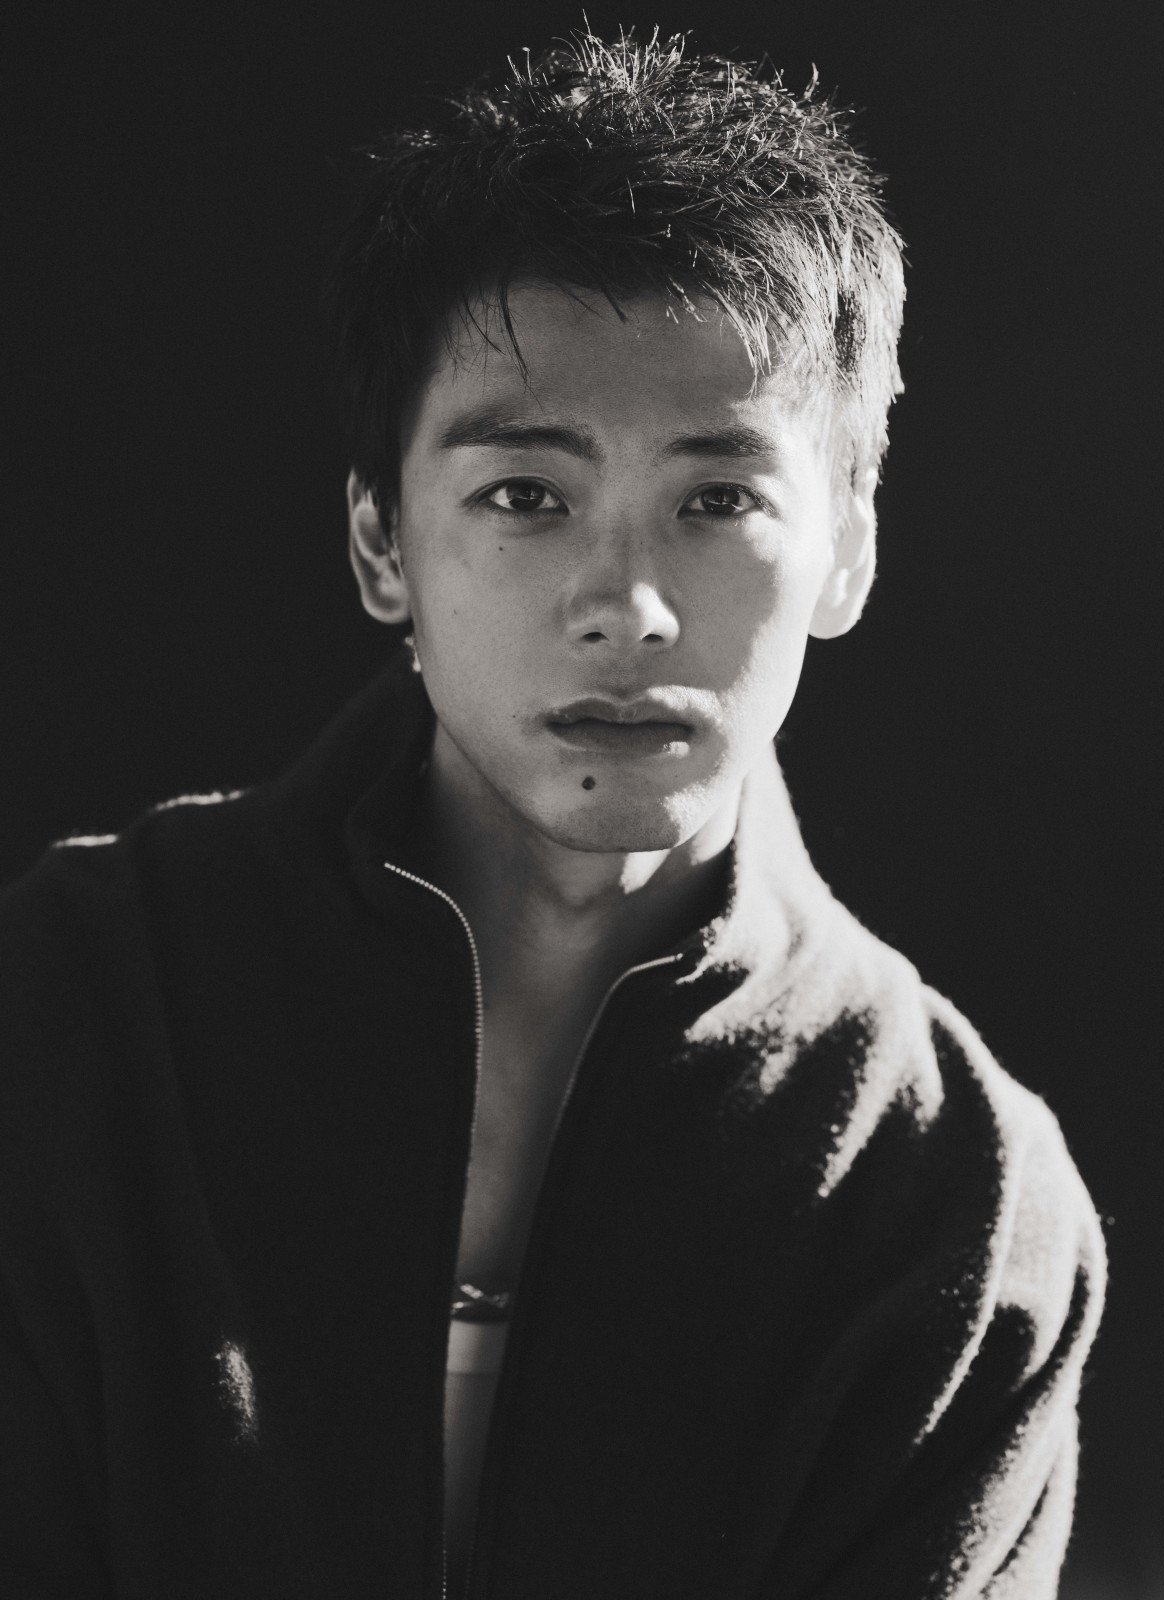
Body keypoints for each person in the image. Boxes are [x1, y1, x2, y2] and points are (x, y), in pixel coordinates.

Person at [0, 29, 1104, 1600]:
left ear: (849, 545)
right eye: (526, 495)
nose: (627, 605)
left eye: (718, 499)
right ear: (383, 546)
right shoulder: (78, 1003)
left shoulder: (953, 1200)